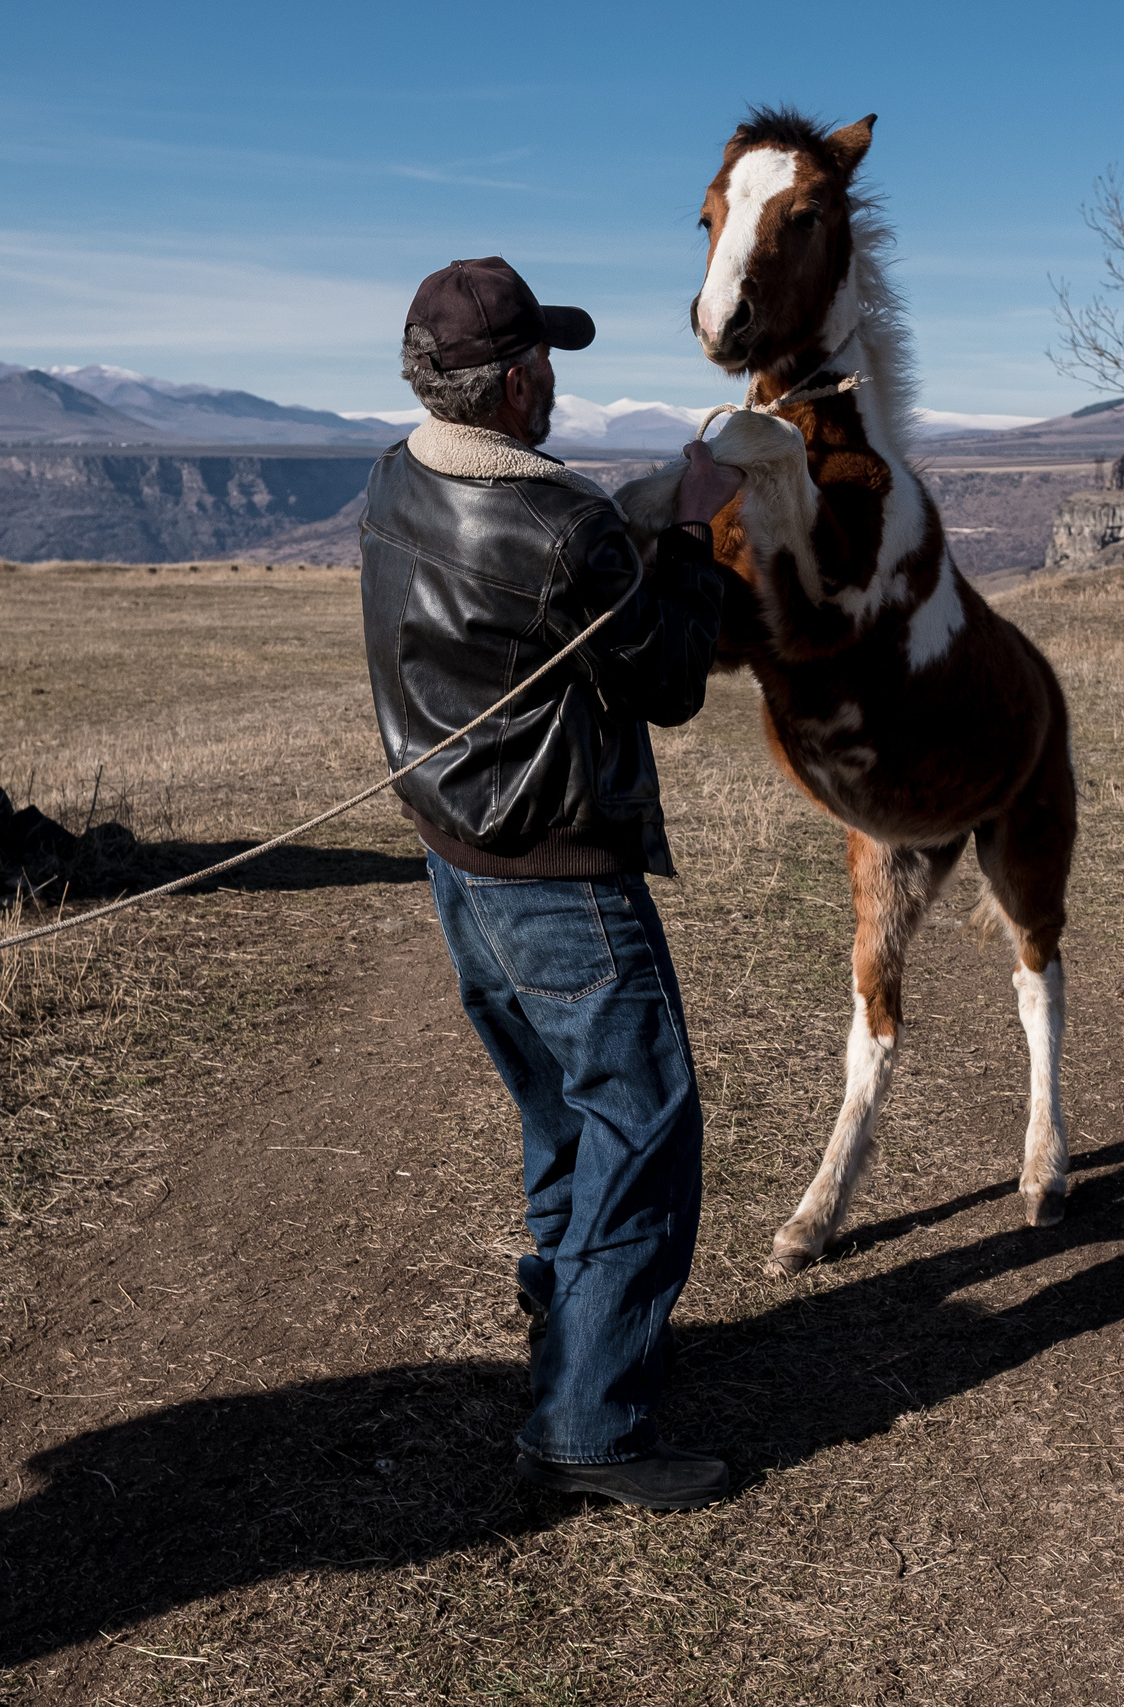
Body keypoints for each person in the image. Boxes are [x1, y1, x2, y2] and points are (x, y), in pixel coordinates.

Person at [359, 257, 744, 1510]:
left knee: (563, 1107)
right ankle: (587, 1423)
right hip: (558, 872)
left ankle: (565, 1309)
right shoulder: (563, 526)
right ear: (517, 382)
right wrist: (686, 525)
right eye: (548, 363)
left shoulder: (396, 474)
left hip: (456, 858)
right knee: (643, 1124)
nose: (555, 382)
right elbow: (671, 677)